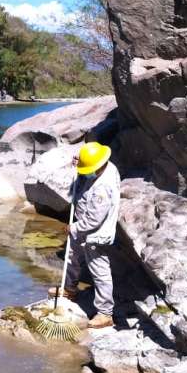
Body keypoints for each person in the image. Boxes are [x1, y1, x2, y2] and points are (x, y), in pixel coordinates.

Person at [52, 141, 121, 329]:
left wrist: (72, 228)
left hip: (95, 235)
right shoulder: (105, 166)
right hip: (82, 227)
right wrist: (81, 163)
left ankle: (105, 314)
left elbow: (93, 221)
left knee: (100, 272)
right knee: (72, 256)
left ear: (98, 166)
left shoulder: (103, 188)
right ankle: (69, 290)